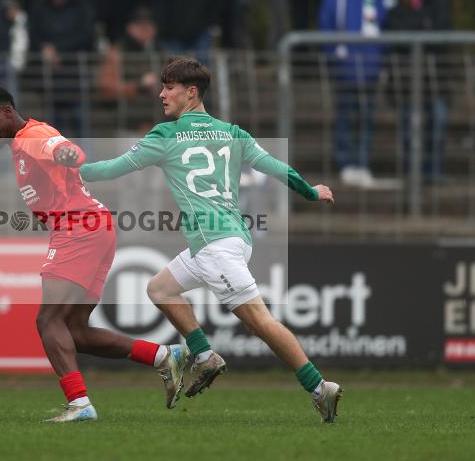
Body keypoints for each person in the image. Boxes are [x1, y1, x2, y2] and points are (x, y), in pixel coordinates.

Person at [77, 56, 343, 423]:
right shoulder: (233, 133)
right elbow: (278, 168)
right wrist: (310, 192)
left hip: (215, 246)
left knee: (260, 322)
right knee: (160, 288)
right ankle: (204, 355)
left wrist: (71, 170)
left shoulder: (166, 136)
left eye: (168, 88)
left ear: (191, 92)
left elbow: (111, 169)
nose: (160, 94)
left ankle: (319, 387)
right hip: (232, 237)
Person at [0, 86, 190, 422]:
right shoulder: (21, 144)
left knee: (47, 320)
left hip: (80, 230)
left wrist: (68, 154)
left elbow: (62, 149)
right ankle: (164, 356)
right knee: (75, 331)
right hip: (91, 228)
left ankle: (79, 404)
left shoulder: (34, 135)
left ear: (5, 112)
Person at [318, 0, 387, 188]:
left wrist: (379, 59)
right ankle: (346, 163)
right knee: (345, 116)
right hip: (343, 69)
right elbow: (325, 25)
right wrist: (334, 52)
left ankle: (362, 163)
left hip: (370, 69)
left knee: (366, 117)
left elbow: (383, 26)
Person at [383, 0, 452, 183]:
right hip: (405, 80)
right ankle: (412, 171)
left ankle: (434, 170)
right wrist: (423, 28)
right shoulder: (395, 10)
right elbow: (396, 37)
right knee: (408, 127)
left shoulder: (439, 5)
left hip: (436, 79)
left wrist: (417, 32)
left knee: (438, 122)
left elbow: (442, 37)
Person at [28, 0, 96, 138]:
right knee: (52, 127)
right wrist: (45, 48)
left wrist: (57, 50)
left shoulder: (82, 6)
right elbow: (34, 33)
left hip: (75, 73)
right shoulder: (40, 6)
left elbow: (86, 35)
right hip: (49, 76)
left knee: (81, 125)